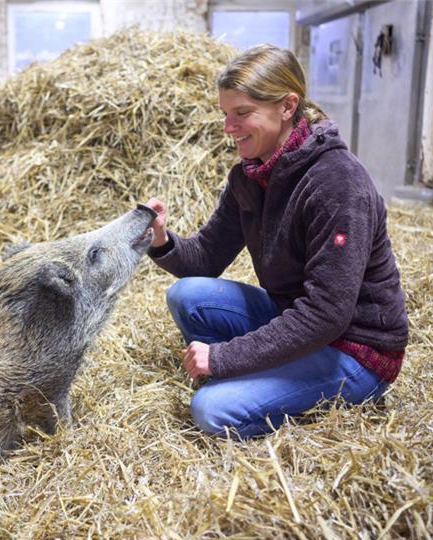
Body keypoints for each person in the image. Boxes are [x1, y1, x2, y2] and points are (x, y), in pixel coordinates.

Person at [145, 44, 408, 439]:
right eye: (225, 114)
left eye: (242, 113)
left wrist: (224, 358)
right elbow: (205, 258)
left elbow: (326, 314)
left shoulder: (337, 183)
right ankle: (263, 382)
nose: (228, 127)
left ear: (287, 106)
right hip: (295, 318)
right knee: (188, 295)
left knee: (211, 410)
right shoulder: (250, 176)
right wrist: (162, 239)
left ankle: (269, 390)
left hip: (355, 349)